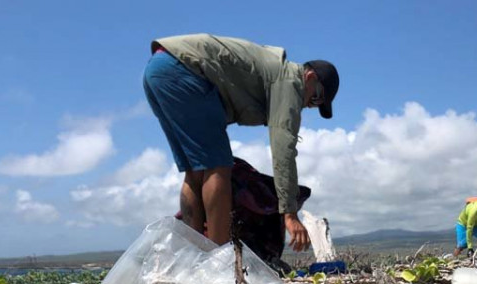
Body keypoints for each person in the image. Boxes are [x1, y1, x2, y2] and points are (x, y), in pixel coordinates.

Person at [143, 34, 339, 251]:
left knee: (195, 171)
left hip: (159, 69)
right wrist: (290, 214)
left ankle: (193, 255)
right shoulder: (290, 81)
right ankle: (216, 261)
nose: (307, 105)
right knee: (218, 167)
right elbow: (283, 151)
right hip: (183, 71)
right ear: (309, 76)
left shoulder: (272, 72)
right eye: (315, 98)